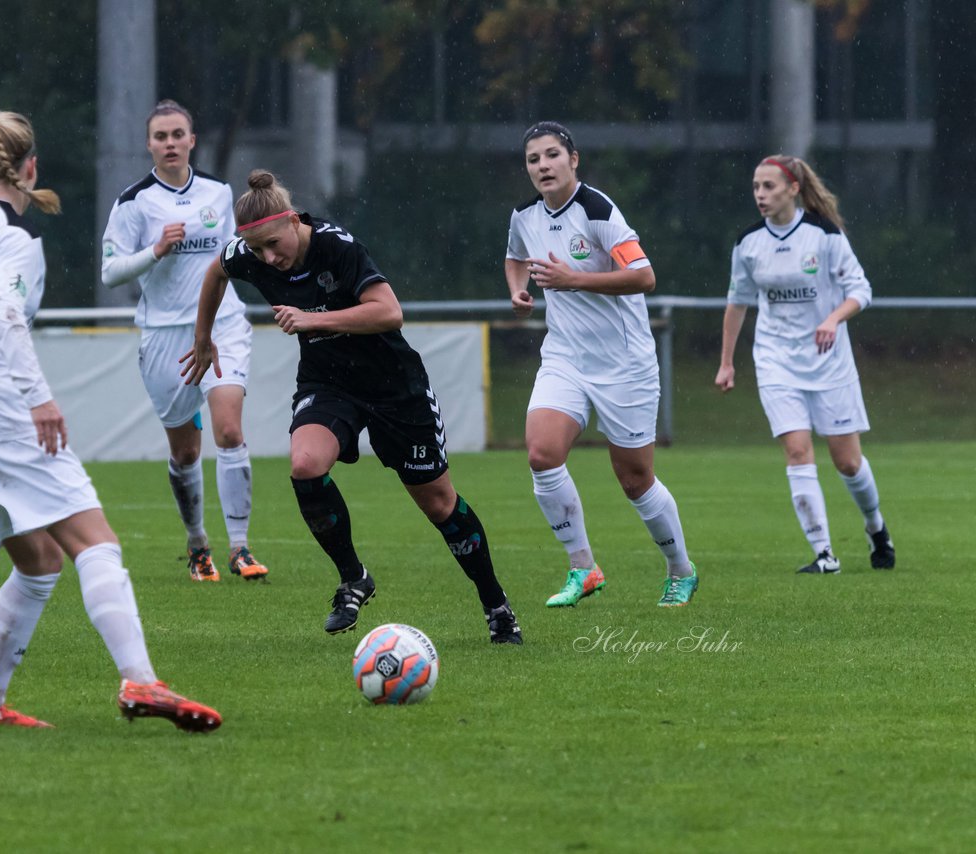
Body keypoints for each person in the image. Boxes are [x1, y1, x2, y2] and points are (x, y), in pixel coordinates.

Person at [0, 110, 221, 731]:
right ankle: (142, 682)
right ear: (30, 168)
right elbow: (3, 313)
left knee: (40, 562)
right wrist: (37, 399)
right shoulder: (12, 238)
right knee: (95, 541)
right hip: (2, 414)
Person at [182, 170, 522, 644]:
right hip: (328, 381)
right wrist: (203, 337)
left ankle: (497, 605)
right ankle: (353, 577)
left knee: (440, 504)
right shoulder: (249, 253)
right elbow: (216, 270)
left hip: (393, 385)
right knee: (304, 464)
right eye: (258, 251)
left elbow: (389, 311)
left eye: (275, 244)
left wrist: (314, 318)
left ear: (294, 221)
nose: (269, 258)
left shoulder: (336, 246)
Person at [504, 121, 699, 608]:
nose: (543, 165)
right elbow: (514, 257)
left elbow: (644, 276)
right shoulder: (524, 215)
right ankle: (583, 567)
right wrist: (518, 290)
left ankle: (681, 570)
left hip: (625, 363)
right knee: (541, 454)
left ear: (574, 160)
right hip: (566, 356)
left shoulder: (598, 210)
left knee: (634, 479)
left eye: (552, 155)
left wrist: (574, 279)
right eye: (533, 159)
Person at [101, 100, 267, 584]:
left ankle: (240, 548)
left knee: (230, 431)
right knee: (185, 453)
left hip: (222, 322)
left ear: (192, 140)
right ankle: (198, 545)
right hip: (164, 335)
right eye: (160, 136)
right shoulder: (133, 202)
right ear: (149, 144)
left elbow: (240, 256)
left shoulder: (218, 193)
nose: (170, 143)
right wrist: (155, 251)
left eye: (178, 134)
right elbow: (110, 273)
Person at [716, 154, 894, 574]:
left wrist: (833, 318)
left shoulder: (824, 235)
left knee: (848, 462)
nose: (761, 194)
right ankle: (825, 553)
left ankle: (876, 527)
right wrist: (726, 362)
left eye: (770, 187)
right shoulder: (748, 243)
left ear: (793, 189)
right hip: (775, 360)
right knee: (797, 451)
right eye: (756, 187)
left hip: (829, 363)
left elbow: (861, 289)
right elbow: (737, 303)